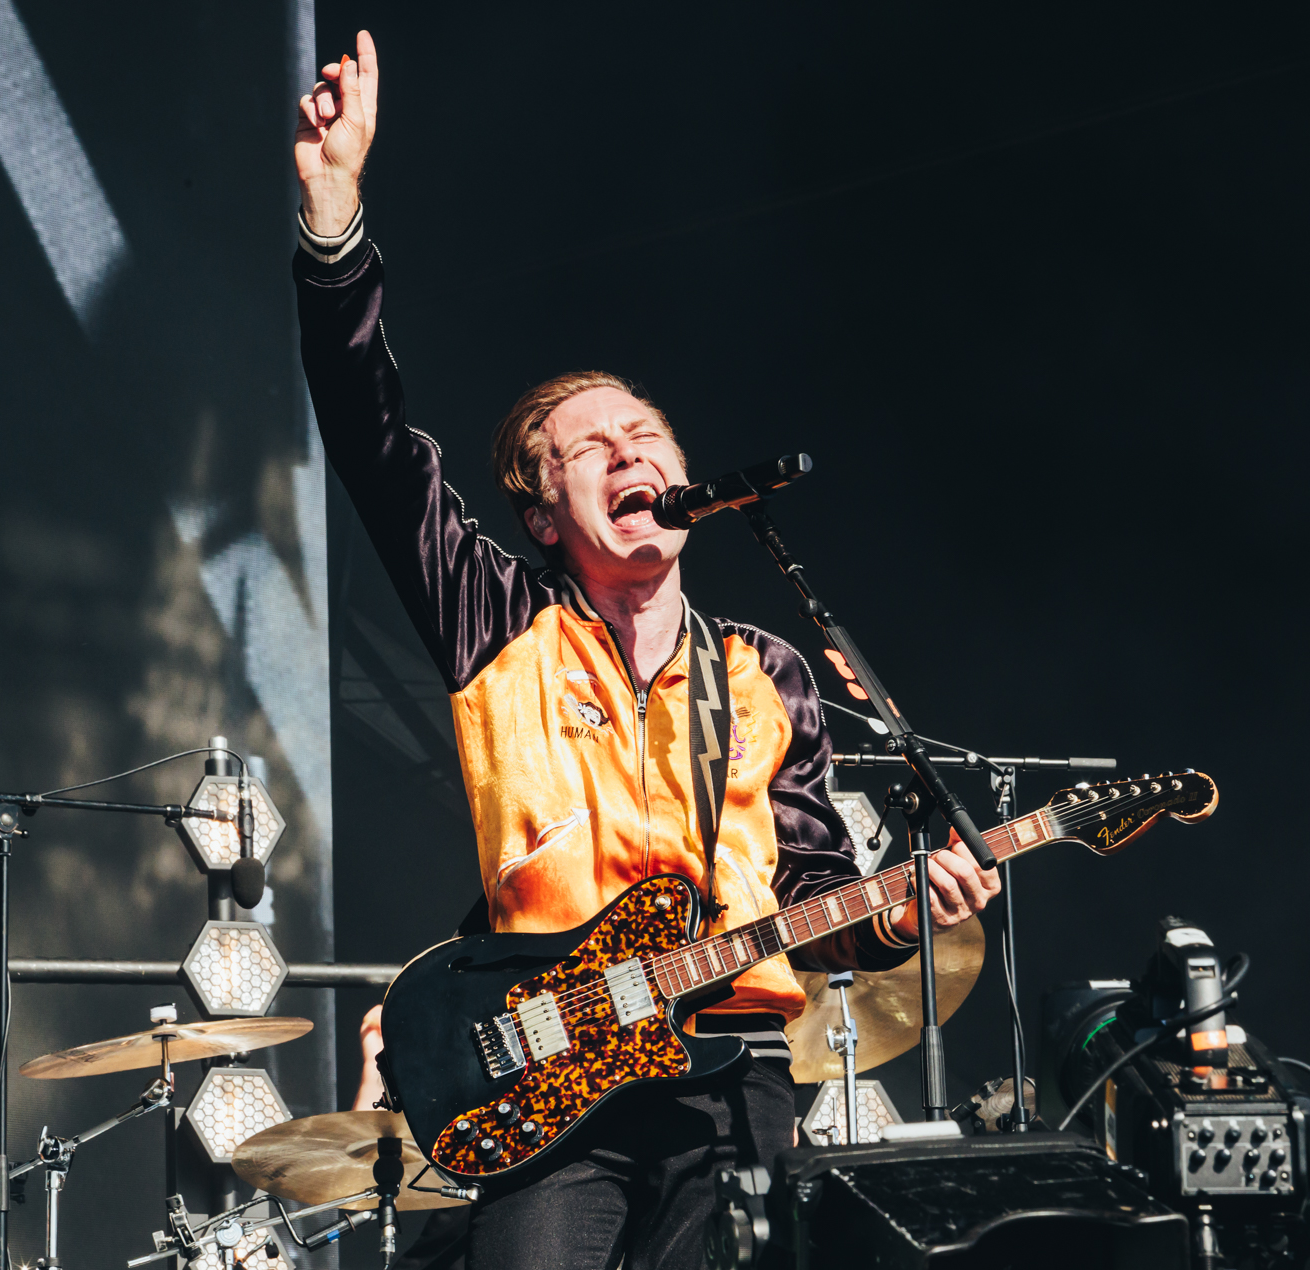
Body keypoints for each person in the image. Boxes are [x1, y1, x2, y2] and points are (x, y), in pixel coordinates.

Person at [292, 32, 999, 1270]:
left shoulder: (768, 673)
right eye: (590, 446)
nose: (630, 454)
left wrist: (898, 918)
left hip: (737, 1080)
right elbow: (371, 435)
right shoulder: (496, 617)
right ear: (539, 512)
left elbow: (809, 902)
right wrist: (335, 216)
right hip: (549, 1073)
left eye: (647, 433)